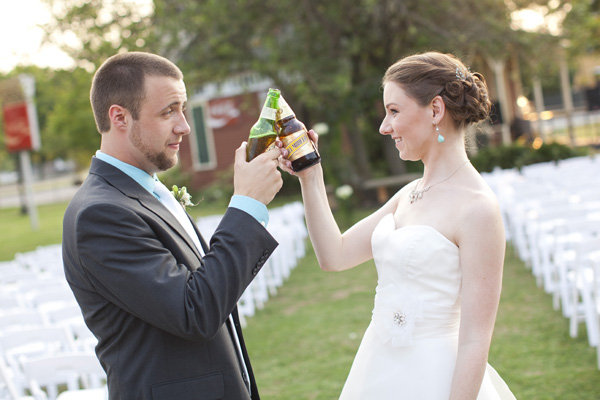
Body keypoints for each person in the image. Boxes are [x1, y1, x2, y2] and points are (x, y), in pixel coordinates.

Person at [281, 52, 516, 399]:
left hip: (435, 378)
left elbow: (475, 340)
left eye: (394, 111)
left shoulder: (477, 209)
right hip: (378, 368)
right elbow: (334, 255)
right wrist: (310, 176)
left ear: (435, 110)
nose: (384, 126)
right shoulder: (408, 194)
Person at [62, 51, 284, 400]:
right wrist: (247, 205)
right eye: (168, 111)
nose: (184, 125)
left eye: (182, 108)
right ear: (120, 117)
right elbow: (193, 311)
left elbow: (207, 285)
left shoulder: (146, 190)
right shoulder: (100, 214)